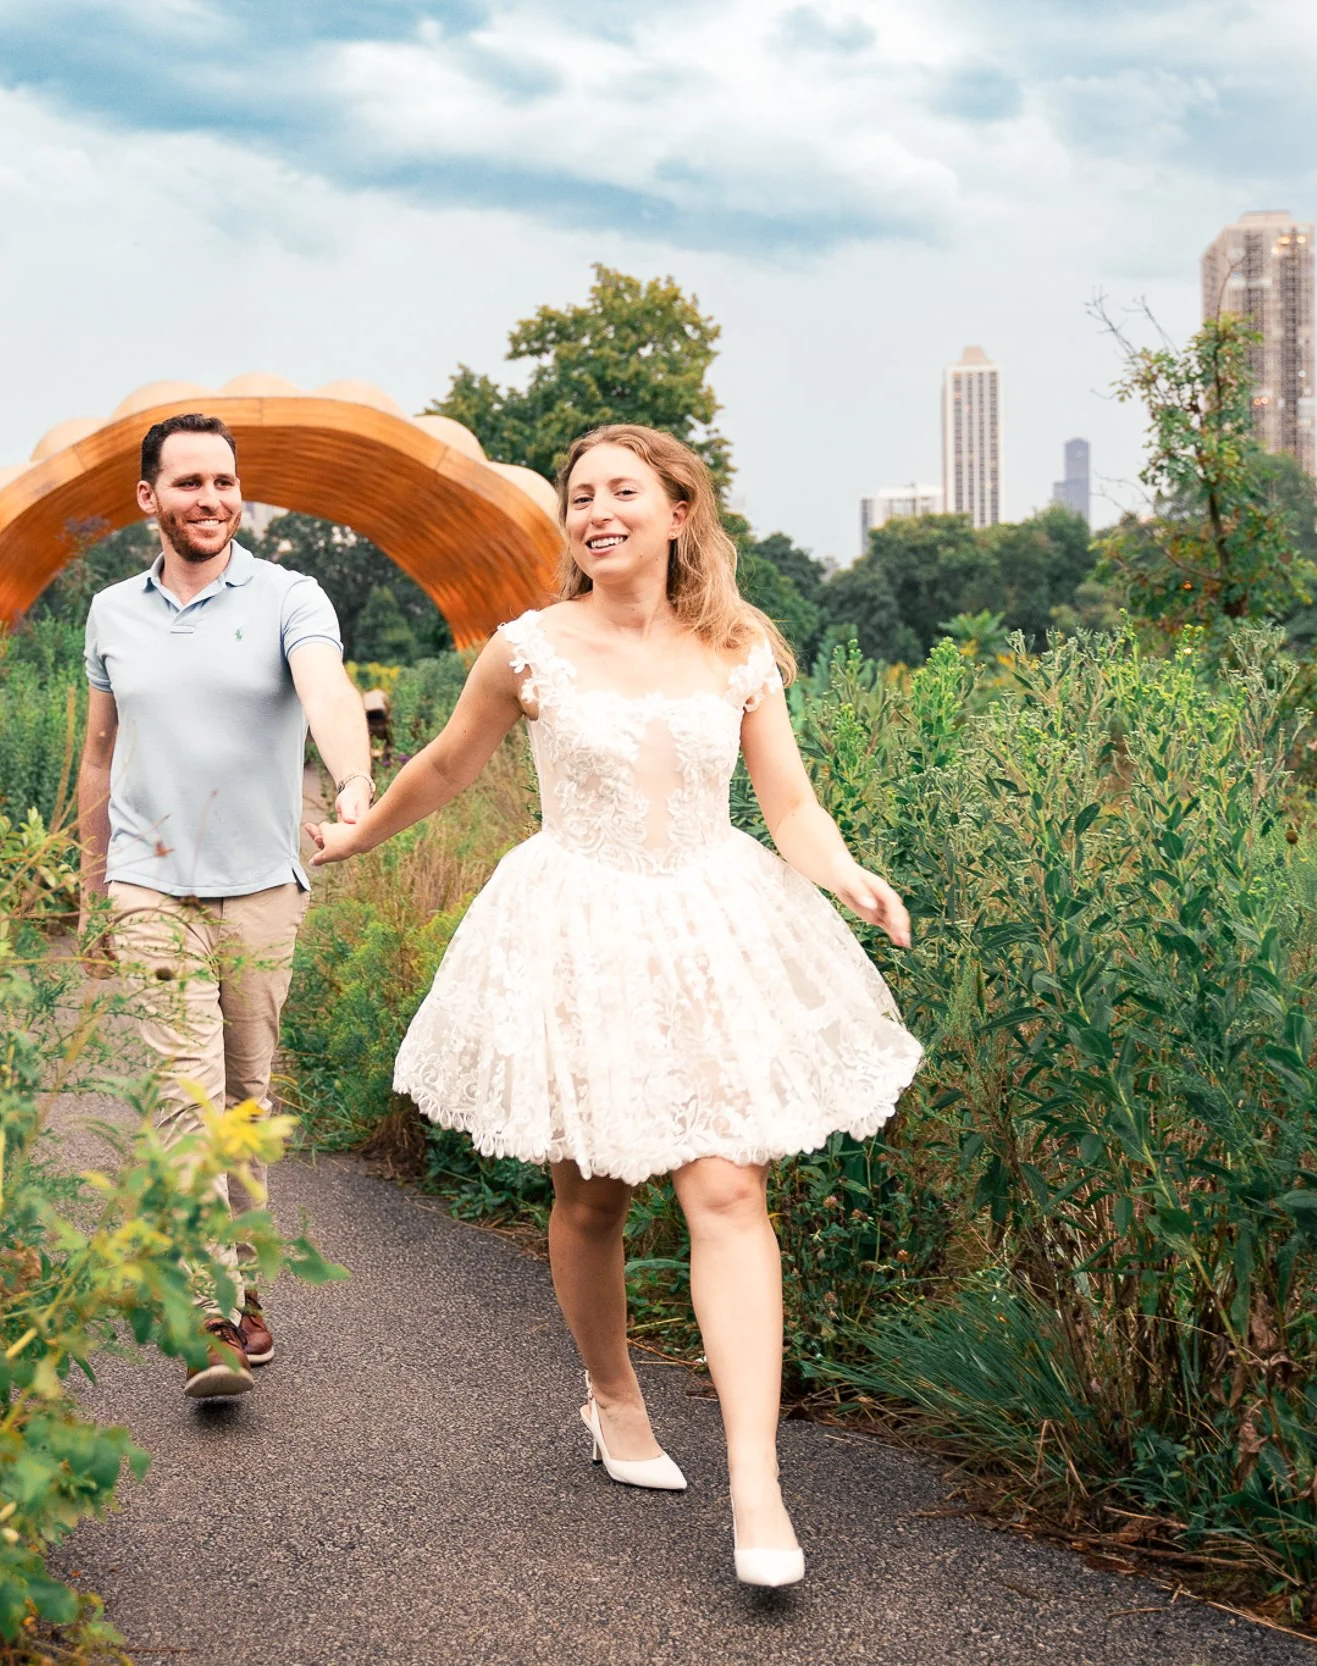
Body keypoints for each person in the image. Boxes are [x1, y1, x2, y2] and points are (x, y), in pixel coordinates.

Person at [304, 423, 923, 1586]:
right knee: (590, 1197)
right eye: (580, 495)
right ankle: (610, 1391)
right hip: (579, 930)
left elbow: (788, 807)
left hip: (707, 924)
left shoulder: (738, 649)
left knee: (728, 1184)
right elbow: (443, 766)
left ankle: (756, 1485)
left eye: (621, 491)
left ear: (677, 509)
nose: (595, 509)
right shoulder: (529, 650)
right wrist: (355, 833)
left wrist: (843, 874)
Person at [78, 412, 375, 1400]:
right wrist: (91, 886)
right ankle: (207, 1311)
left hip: (258, 891)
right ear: (148, 497)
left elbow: (326, 690)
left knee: (243, 1105)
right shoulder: (111, 612)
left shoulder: (290, 595)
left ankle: (239, 1288)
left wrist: (352, 781)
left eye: (224, 482)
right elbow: (97, 752)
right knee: (186, 1099)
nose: (210, 498)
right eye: (189, 482)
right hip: (147, 885)